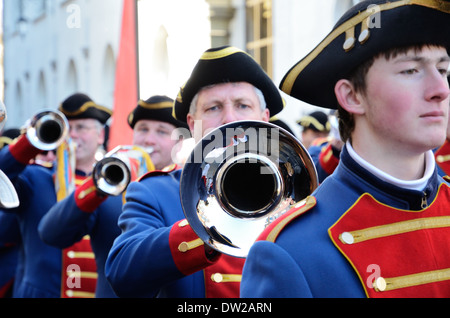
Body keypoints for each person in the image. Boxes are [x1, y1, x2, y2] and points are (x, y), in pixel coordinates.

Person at [241, 0, 450, 298]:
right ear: (352, 96)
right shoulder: (289, 253)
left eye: (443, 70)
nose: (440, 90)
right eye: (411, 70)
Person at [105, 46, 284, 297]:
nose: (229, 119)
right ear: (192, 124)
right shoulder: (154, 191)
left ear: (264, 119)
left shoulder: (294, 190)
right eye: (213, 108)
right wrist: (213, 225)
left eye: (243, 105)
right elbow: (122, 272)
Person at [38, 95, 188, 297]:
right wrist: (98, 184)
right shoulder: (109, 188)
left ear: (179, 141)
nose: (148, 139)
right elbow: (52, 233)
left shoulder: (188, 190)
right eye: (142, 129)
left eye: (161, 131)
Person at [0, 93, 110, 298]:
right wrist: (32, 141)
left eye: (81, 128)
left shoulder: (114, 186)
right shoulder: (36, 178)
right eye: (69, 128)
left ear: (100, 135)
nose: (73, 135)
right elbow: (3, 173)